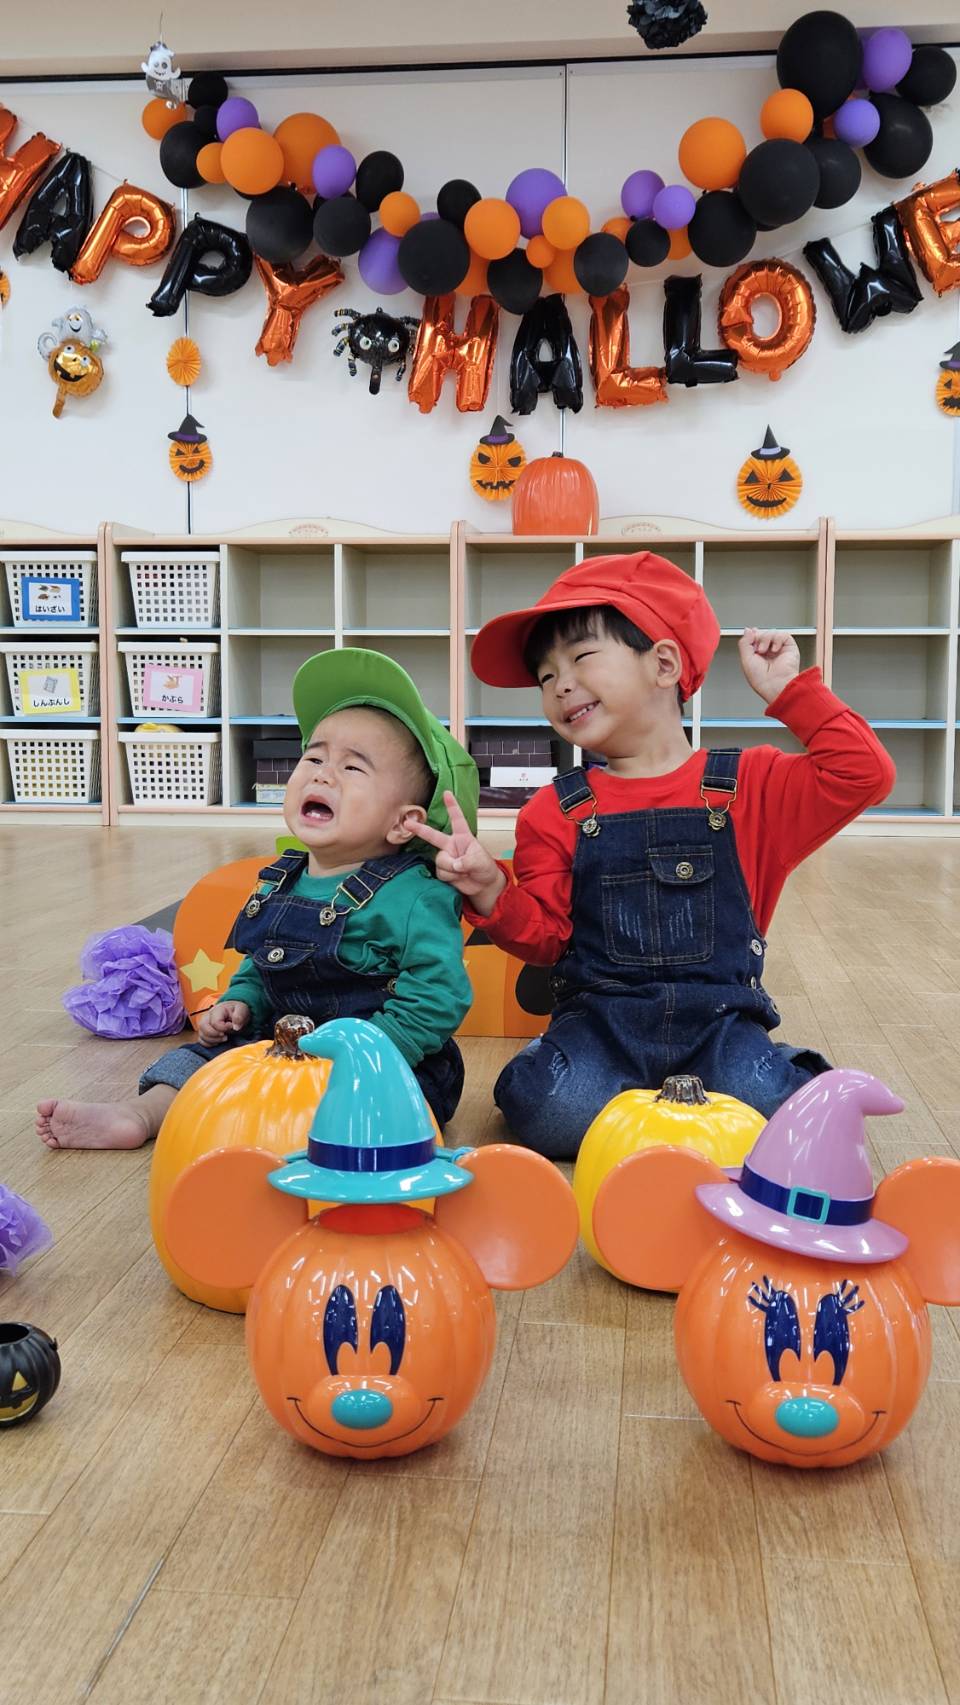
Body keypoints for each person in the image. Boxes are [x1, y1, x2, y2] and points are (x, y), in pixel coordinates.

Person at [416, 552, 895, 1159]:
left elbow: (864, 774)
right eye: (545, 675)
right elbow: (547, 941)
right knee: (549, 1109)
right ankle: (642, 1102)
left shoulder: (750, 786)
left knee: (771, 1104)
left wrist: (791, 693)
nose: (559, 684)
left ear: (664, 663)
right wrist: (490, 890)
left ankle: (691, 1102)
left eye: (581, 657)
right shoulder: (552, 810)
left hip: (721, 1026)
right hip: (599, 1026)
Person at [38, 649, 477, 1150]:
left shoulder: (416, 895)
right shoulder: (277, 880)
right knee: (203, 1063)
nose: (322, 774)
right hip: (278, 1045)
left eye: (353, 767)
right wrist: (240, 1001)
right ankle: (141, 1114)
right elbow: (263, 963)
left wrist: (370, 1056)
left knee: (377, 1109)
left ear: (404, 822)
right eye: (314, 757)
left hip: (385, 1059)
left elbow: (438, 996)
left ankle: (301, 1133)